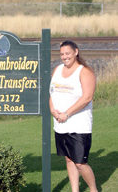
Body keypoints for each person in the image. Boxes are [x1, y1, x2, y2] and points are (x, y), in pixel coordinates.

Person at [49, 40, 98, 192]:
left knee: (80, 163)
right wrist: (52, 110)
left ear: (76, 52)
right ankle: (75, 190)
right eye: (62, 54)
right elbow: (52, 93)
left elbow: (87, 98)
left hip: (78, 125)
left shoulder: (85, 72)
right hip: (60, 124)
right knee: (69, 159)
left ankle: (93, 189)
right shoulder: (57, 69)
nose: (65, 57)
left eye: (68, 53)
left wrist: (67, 113)